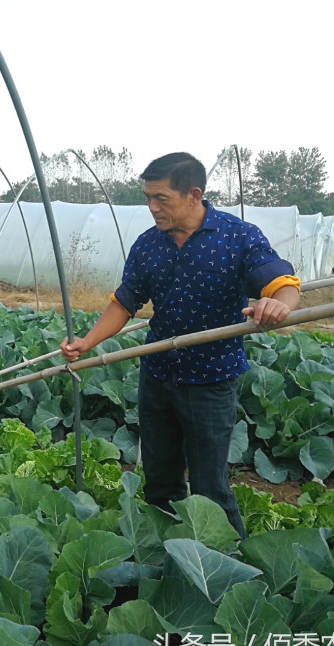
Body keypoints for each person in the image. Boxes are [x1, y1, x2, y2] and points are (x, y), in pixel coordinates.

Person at [60, 152, 300, 537]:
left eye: (161, 198)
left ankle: (225, 562)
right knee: (159, 478)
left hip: (210, 380)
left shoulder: (237, 236)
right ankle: (162, 553)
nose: (152, 207)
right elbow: (125, 302)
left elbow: (281, 284)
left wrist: (276, 304)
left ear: (193, 194)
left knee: (209, 485)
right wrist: (86, 342)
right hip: (157, 375)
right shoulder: (148, 245)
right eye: (148, 198)